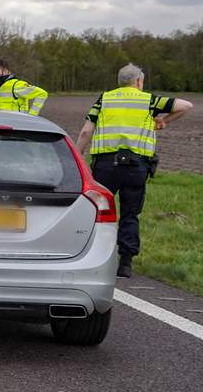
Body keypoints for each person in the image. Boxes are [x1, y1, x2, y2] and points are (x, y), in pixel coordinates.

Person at [75, 63, 192, 278]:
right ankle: (125, 263)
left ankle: (91, 258)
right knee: (130, 214)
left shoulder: (104, 99)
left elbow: (85, 132)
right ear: (139, 81)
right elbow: (185, 105)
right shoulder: (149, 100)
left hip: (105, 166)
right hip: (135, 167)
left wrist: (77, 157)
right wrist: (163, 122)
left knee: (97, 212)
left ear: (120, 82)